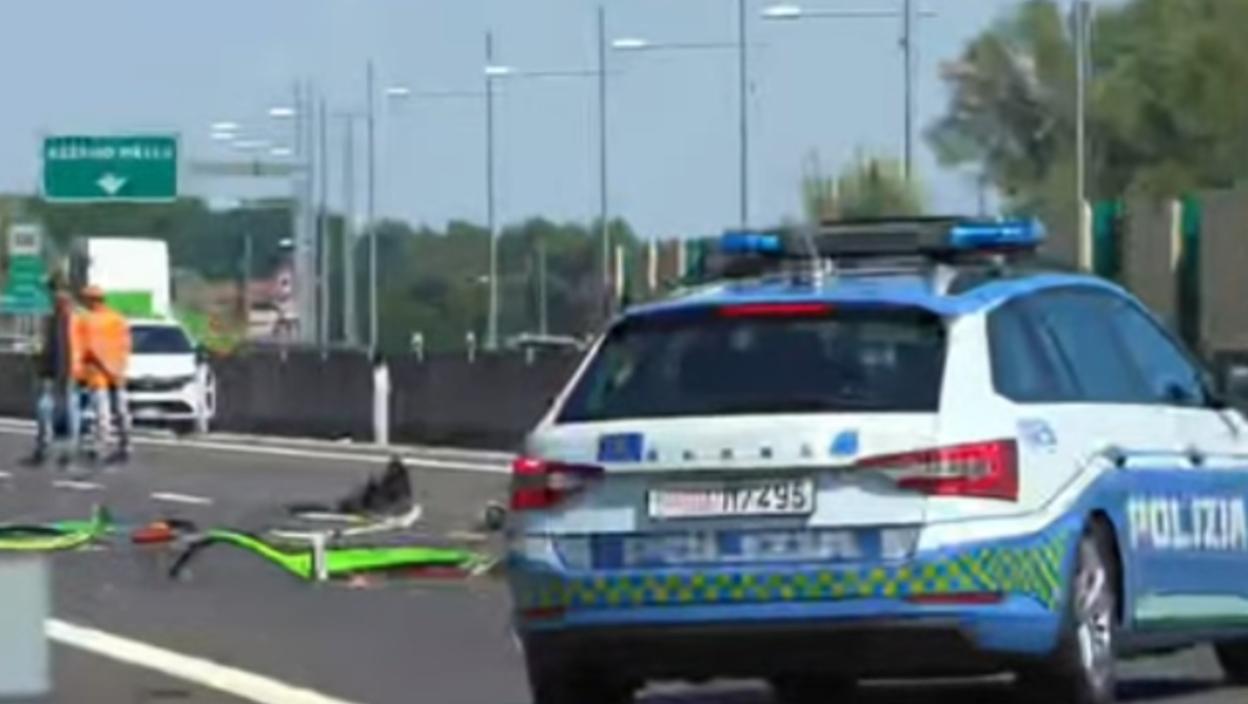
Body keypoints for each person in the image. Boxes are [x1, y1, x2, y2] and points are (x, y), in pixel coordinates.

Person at [23, 275, 83, 467]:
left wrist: (40, 357)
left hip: (59, 368)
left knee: (53, 405)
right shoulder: (71, 313)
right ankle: (66, 446)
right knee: (66, 406)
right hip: (63, 367)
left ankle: (51, 445)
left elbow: (58, 344)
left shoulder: (60, 315)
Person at [78, 285, 132, 464]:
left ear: (91, 300)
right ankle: (125, 444)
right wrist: (121, 368)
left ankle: (101, 446)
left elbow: (85, 348)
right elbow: (126, 346)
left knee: (103, 413)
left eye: (85, 299)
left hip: (97, 372)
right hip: (116, 371)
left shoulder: (86, 320)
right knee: (121, 411)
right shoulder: (118, 319)